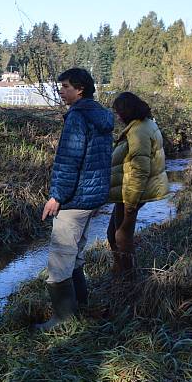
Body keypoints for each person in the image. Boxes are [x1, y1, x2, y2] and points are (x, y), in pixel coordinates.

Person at [36, 68, 114, 331]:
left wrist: (56, 196)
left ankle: (63, 320)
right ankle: (81, 305)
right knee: (76, 253)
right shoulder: (100, 115)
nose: (61, 91)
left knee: (60, 257)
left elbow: (69, 161)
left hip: (75, 199)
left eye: (66, 86)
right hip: (92, 197)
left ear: (80, 89)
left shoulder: (78, 117)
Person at [107, 92, 168, 277]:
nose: (117, 117)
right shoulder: (145, 124)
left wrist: (131, 204)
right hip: (128, 191)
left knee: (120, 236)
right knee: (113, 234)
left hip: (131, 192)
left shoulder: (138, 131)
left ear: (127, 111)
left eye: (119, 112)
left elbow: (140, 169)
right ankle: (121, 274)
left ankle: (129, 279)